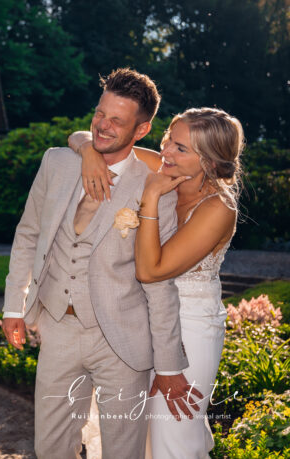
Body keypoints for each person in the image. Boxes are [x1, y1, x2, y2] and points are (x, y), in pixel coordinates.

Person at [1, 68, 196, 459]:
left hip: (122, 339)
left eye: (117, 121)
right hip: (57, 327)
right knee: (51, 445)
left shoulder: (155, 189)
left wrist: (169, 363)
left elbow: (159, 282)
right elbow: (28, 235)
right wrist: (13, 306)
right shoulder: (57, 162)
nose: (103, 126)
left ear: (141, 131)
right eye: (100, 114)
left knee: (123, 451)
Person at [68, 107, 243, 458]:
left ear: (209, 160)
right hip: (140, 322)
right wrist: (89, 153)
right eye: (168, 141)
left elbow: (150, 270)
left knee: (172, 440)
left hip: (190, 332)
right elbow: (84, 139)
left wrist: (149, 197)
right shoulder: (164, 168)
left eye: (181, 148)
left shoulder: (218, 208)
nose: (165, 152)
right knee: (135, 436)